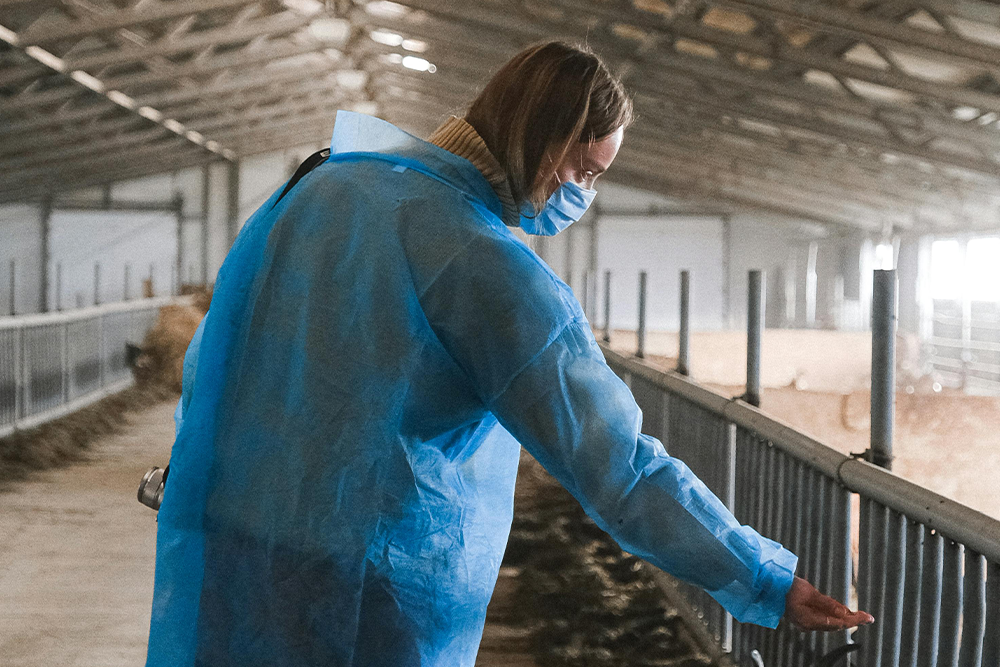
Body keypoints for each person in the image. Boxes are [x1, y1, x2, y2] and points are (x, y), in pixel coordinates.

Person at [145, 41, 872, 667]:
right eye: (584, 170)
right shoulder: (487, 266)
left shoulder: (318, 185)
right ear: (542, 141)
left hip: (238, 537)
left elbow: (220, 352)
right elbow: (614, 463)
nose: (581, 192)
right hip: (363, 577)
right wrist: (762, 578)